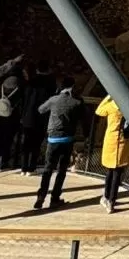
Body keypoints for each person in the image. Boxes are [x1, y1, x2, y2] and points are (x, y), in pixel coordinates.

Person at [35, 80, 84, 211]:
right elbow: (82, 117)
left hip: (52, 139)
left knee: (48, 168)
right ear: (73, 87)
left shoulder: (53, 100)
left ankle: (41, 195)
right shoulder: (77, 102)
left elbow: (40, 110)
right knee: (61, 170)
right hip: (67, 140)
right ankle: (55, 198)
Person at [96, 89, 129, 211]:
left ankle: (107, 197)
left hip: (111, 140)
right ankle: (112, 200)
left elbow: (99, 110)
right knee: (117, 173)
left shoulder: (112, 106)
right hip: (124, 141)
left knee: (110, 172)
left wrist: (108, 96)